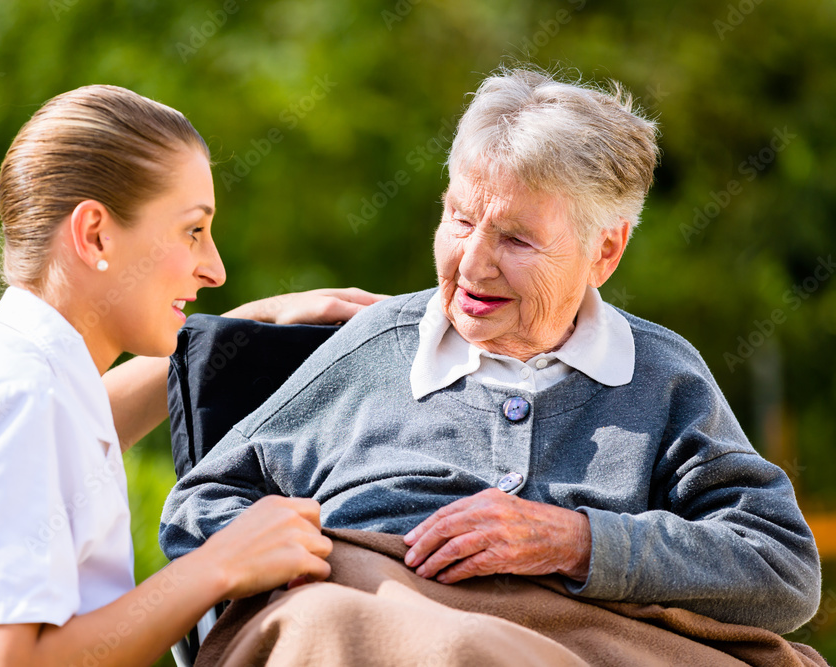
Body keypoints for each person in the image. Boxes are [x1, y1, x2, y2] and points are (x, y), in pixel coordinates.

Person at [160, 68, 822, 645]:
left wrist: (576, 541)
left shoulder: (661, 376)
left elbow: (781, 568)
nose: (473, 264)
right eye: (461, 219)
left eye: (517, 240)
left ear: (605, 252)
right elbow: (200, 506)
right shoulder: (376, 348)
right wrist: (326, 563)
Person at [0, 84, 385, 666]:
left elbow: (79, 428)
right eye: (192, 230)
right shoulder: (15, 397)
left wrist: (246, 324)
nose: (215, 268)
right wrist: (220, 564)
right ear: (95, 233)